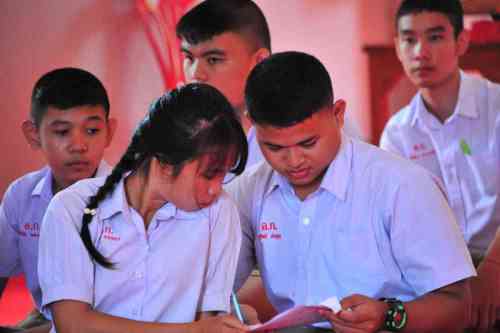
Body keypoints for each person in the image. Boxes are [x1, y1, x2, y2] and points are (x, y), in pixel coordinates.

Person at [228, 51, 476, 333]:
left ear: (338, 114)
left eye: (308, 143)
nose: (294, 161)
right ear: (252, 125)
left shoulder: (401, 185)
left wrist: (388, 316)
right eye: (274, 148)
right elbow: (212, 286)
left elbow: (458, 308)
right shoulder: (249, 190)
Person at [38, 84, 249, 333]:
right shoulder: (71, 207)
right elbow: (73, 325)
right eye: (210, 174)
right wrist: (194, 331)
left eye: (223, 175)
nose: (216, 189)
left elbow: (211, 319)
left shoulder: (220, 211)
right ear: (164, 163)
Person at [379, 0, 500, 330]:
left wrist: (492, 269)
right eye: (409, 39)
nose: (420, 52)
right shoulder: (397, 134)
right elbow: (402, 225)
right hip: (440, 274)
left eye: (434, 37)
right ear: (397, 48)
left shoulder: (496, 106)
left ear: (461, 42)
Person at [176, 0, 364, 170]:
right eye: (189, 58)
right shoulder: (185, 136)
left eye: (213, 59)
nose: (195, 74)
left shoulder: (321, 122)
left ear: (259, 61)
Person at [0, 68, 116, 332]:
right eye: (63, 132)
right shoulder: (21, 196)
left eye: (92, 130)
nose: (78, 145)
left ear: (109, 131)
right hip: (47, 318)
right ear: (33, 135)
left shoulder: (129, 197)